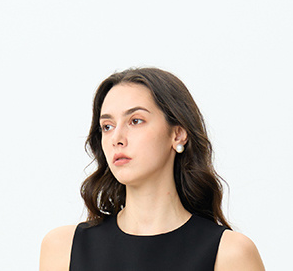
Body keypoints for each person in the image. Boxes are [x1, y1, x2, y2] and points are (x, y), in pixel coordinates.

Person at [39, 66, 266, 271]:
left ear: (178, 134)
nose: (116, 138)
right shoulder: (63, 248)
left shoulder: (230, 254)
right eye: (107, 126)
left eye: (135, 121)